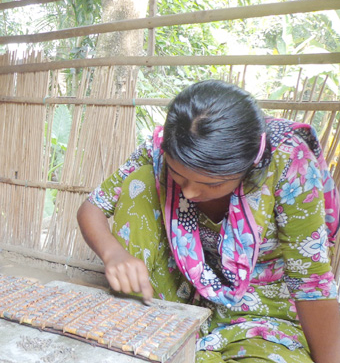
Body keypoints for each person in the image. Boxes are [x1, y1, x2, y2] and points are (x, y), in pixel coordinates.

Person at [77, 80, 340, 363]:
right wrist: (113, 254)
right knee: (139, 182)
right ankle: (139, 319)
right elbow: (92, 207)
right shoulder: (164, 146)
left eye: (210, 184)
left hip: (259, 314)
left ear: (247, 167)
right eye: (180, 176)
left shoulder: (289, 164)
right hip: (175, 300)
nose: (189, 192)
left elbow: (311, 282)